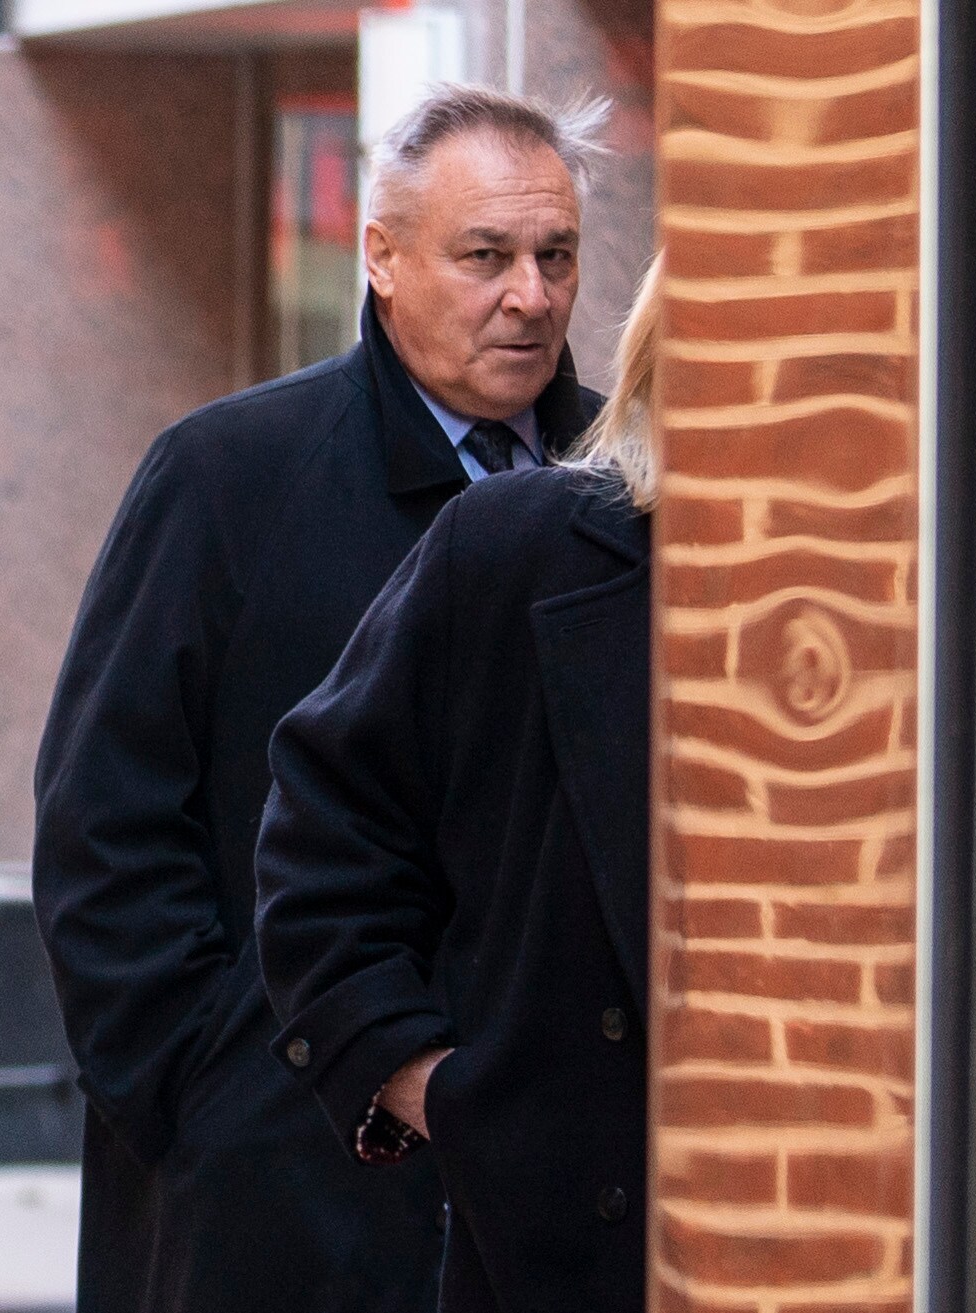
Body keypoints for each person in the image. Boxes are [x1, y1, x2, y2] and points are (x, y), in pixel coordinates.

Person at [30, 85, 608, 1313]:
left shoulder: (632, 488)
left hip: (556, 1182)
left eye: (555, 256)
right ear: (381, 257)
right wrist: (203, 1090)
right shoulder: (228, 475)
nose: (530, 295)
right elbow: (103, 820)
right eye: (485, 256)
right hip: (275, 1171)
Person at [255, 257, 661, 1313]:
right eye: (485, 255)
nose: (528, 293)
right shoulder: (522, 544)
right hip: (562, 1253)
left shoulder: (943, 589)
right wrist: (434, 1087)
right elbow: (325, 832)